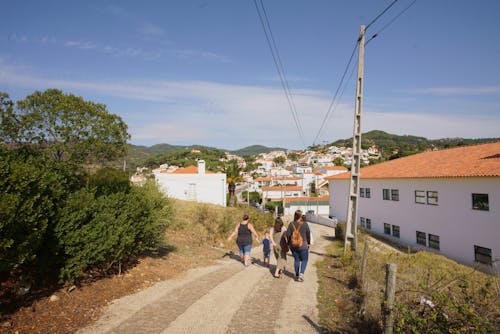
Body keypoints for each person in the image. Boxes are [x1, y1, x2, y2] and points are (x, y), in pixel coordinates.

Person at [285, 210, 311, 282]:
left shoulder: (291, 224)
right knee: (304, 260)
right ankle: (301, 274)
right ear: (300, 216)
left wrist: (288, 243)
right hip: (303, 245)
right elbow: (308, 234)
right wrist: (308, 243)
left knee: (297, 260)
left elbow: (287, 234)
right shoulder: (305, 224)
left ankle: (296, 274)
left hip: (293, 245)